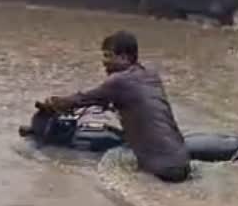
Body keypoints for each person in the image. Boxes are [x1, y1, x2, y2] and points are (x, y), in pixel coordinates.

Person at [40, 31, 192, 183]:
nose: (104, 61)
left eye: (108, 55)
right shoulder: (150, 75)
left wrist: (53, 103)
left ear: (124, 57)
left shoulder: (118, 82)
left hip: (161, 169)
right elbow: (129, 100)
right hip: (182, 162)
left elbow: (82, 99)